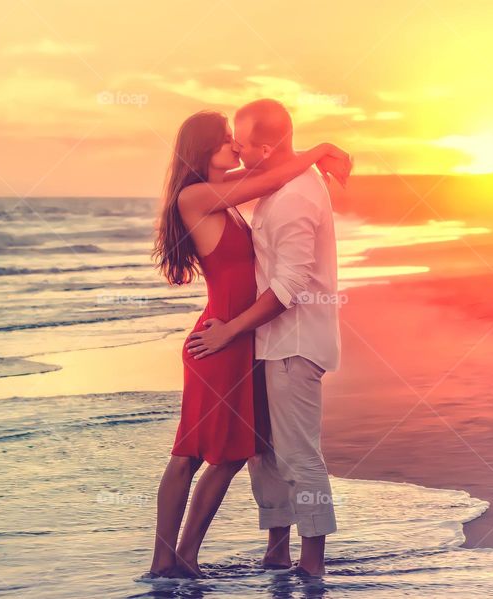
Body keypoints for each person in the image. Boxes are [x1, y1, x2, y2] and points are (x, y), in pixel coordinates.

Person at [149, 109, 350, 578]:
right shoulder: (198, 196)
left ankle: (184, 557)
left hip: (240, 336)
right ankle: (166, 560)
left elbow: (268, 169)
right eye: (225, 142)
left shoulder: (222, 193)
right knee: (191, 453)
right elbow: (267, 176)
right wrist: (318, 151)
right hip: (219, 339)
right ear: (203, 151)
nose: (235, 149)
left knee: (235, 453)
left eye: (237, 141)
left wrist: (305, 153)